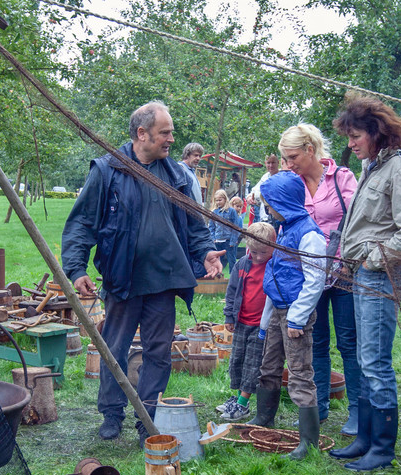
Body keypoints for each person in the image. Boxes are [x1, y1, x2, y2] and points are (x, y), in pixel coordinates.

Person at [61, 101, 224, 442]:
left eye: (171, 132)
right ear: (142, 134)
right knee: (113, 349)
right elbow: (81, 225)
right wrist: (76, 269)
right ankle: (111, 413)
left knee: (158, 353)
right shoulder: (108, 171)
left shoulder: (178, 175)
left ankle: (146, 416)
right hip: (123, 280)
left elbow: (195, 226)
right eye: (165, 132)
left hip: (163, 282)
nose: (171, 139)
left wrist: (207, 252)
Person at [327, 93, 401, 471]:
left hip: (380, 274)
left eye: (355, 136)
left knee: (375, 361)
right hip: (360, 272)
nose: (350, 144)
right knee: (361, 356)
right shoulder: (375, 167)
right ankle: (366, 439)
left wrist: (369, 259)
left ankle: (383, 449)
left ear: (377, 132)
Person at [278, 123, 360, 435]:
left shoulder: (342, 179)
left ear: (311, 150)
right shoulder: (291, 182)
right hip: (309, 278)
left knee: (349, 343)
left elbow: (356, 221)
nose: (288, 163)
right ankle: (320, 406)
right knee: (318, 342)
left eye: (293, 156)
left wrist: (347, 260)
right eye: (285, 158)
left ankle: (356, 411)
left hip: (342, 275)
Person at [248, 172, 328, 460]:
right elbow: (276, 278)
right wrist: (264, 321)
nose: (268, 209)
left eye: (271, 203)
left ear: (284, 201)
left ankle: (308, 442)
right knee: (268, 366)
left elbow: (315, 280)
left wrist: (296, 318)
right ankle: (264, 418)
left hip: (296, 317)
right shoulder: (283, 228)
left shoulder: (309, 235)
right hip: (277, 313)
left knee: (299, 373)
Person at [217, 225, 275, 422]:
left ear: (274, 247)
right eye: (254, 252)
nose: (259, 257)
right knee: (238, 360)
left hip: (262, 326)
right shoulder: (242, 264)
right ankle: (238, 397)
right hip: (242, 322)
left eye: (264, 252)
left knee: (253, 363)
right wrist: (229, 317)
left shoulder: (275, 265)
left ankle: (243, 403)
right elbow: (232, 292)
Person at [208, 189, 242, 272]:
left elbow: (235, 227)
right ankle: (217, 277)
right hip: (218, 241)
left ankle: (233, 279)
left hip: (228, 240)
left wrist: (233, 241)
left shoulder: (231, 211)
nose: (218, 202)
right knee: (217, 260)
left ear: (225, 199)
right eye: (216, 200)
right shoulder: (214, 212)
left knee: (232, 261)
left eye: (220, 200)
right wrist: (213, 238)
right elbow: (211, 227)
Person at [248, 153, 279, 222]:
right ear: (265, 163)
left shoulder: (282, 176)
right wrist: (249, 198)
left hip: (277, 218)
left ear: (278, 162)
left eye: (273, 162)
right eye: (268, 163)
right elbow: (254, 191)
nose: (270, 165)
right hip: (264, 217)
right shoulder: (265, 177)